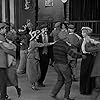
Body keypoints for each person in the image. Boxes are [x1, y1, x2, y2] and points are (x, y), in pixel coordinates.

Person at [50, 26, 85, 100]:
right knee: (68, 80)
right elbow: (73, 54)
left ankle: (53, 93)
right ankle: (66, 97)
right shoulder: (64, 45)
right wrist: (82, 56)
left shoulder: (56, 44)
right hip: (63, 65)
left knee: (60, 80)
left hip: (56, 64)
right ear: (64, 38)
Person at [83, 27, 100, 100]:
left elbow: (88, 49)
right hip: (98, 71)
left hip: (98, 71)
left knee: (97, 88)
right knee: (97, 88)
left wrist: (88, 41)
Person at [80, 27, 97, 95]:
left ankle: (88, 89)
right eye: (82, 32)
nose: (82, 33)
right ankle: (84, 89)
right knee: (84, 73)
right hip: (85, 58)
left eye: (83, 32)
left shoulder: (91, 40)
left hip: (89, 58)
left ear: (87, 33)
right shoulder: (82, 40)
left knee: (88, 73)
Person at [0, 22, 15, 100]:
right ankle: (3, 97)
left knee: (3, 79)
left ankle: (4, 95)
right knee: (3, 80)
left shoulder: (2, 37)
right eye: (4, 28)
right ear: (1, 29)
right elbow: (6, 49)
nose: (5, 30)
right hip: (1, 62)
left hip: (2, 62)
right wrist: (12, 47)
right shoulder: (1, 37)